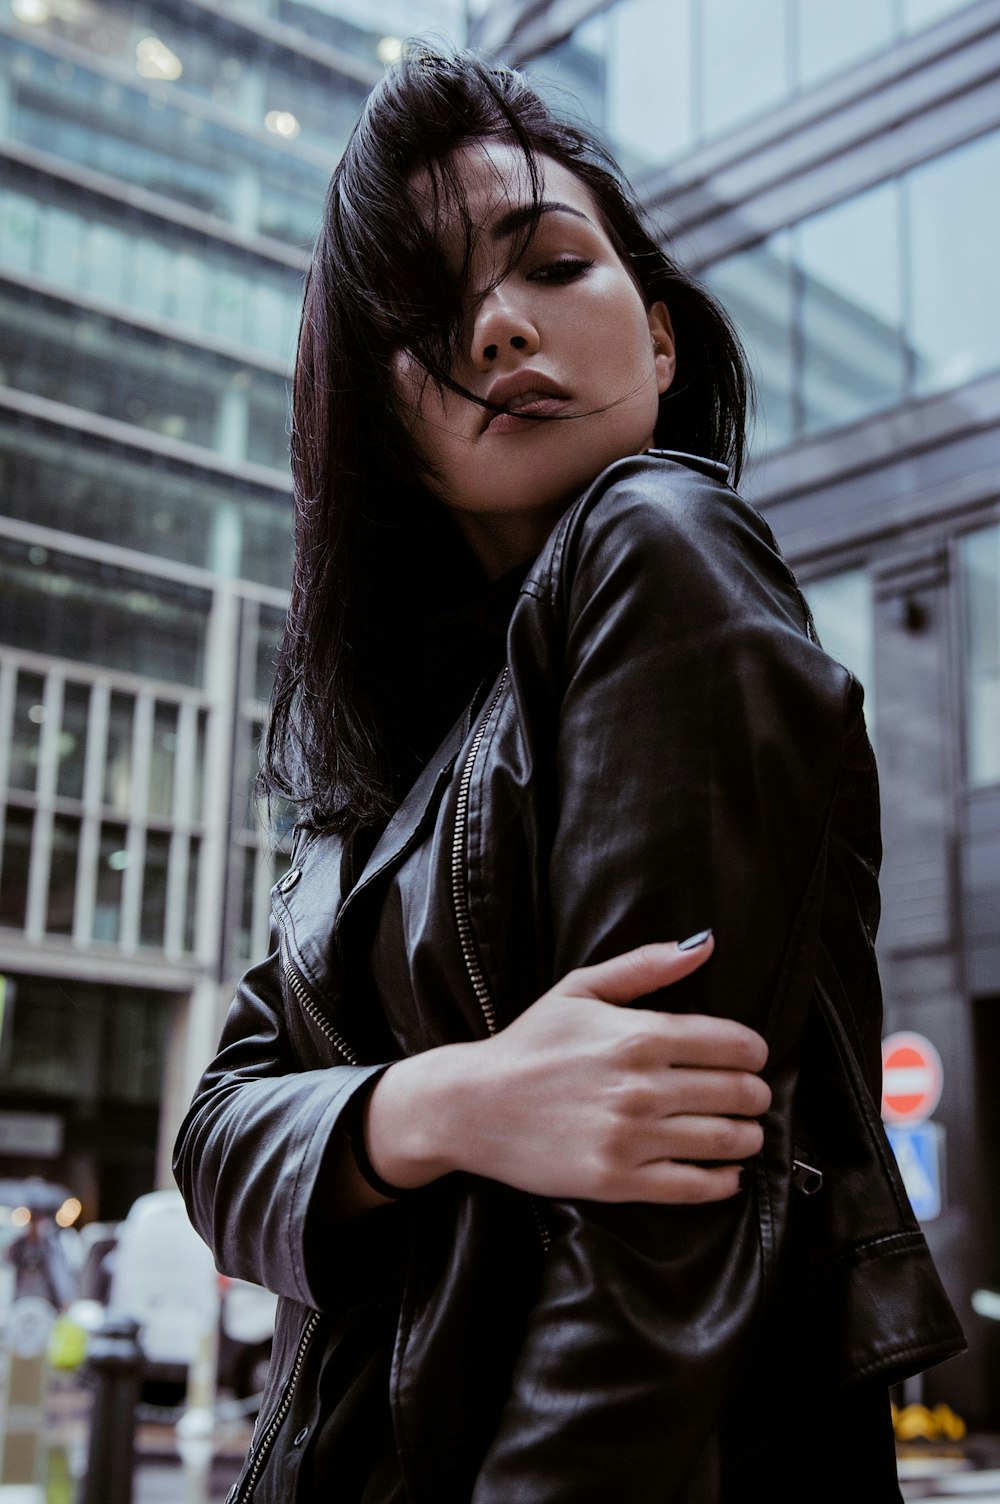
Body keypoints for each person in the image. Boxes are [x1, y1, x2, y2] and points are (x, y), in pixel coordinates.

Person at [174, 50, 964, 1503]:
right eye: (427, 313)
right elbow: (216, 1137)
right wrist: (452, 1104)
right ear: (386, 425)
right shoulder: (383, 777)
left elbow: (656, 1255)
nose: (498, 328)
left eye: (553, 263)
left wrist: (366, 1121)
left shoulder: (660, 548)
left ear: (660, 342)